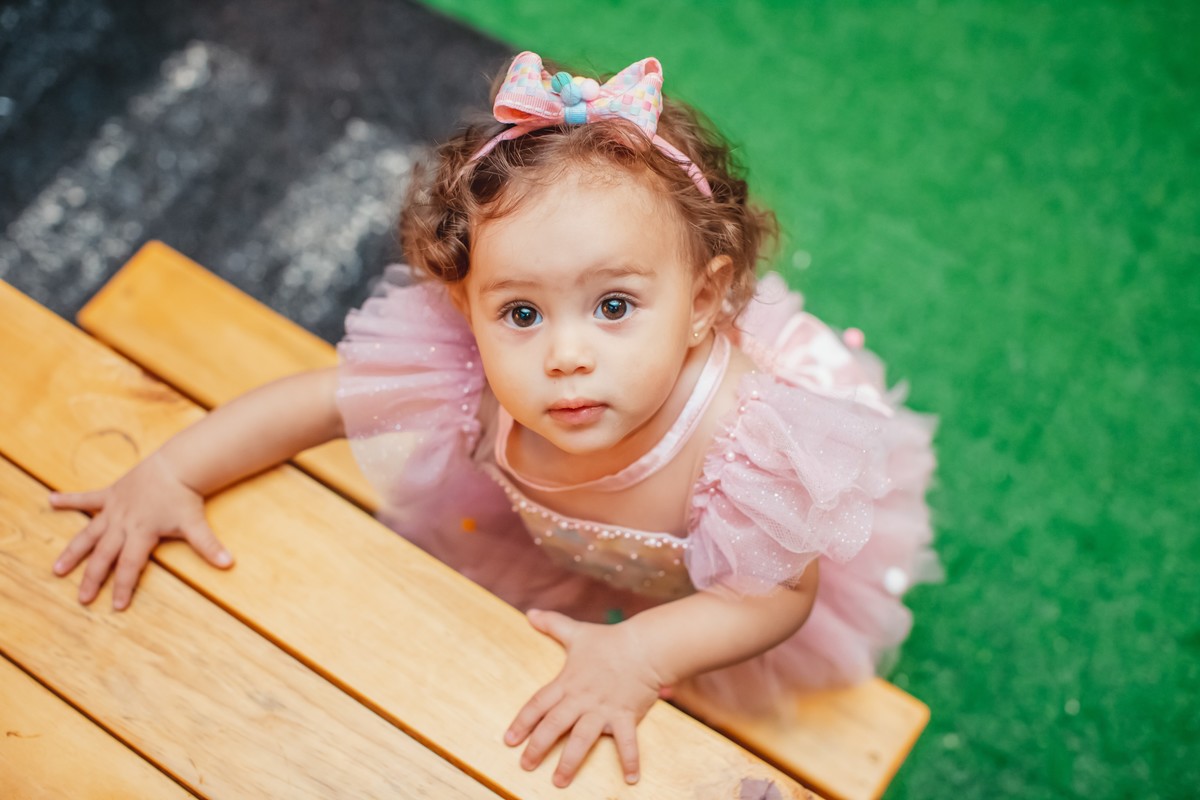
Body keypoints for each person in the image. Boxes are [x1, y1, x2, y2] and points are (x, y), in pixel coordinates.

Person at [48, 51, 939, 788]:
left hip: (716, 579)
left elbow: (776, 596)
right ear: (465, 308)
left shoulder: (749, 446)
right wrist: (171, 472)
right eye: (521, 313)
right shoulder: (467, 376)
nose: (566, 355)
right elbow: (317, 404)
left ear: (704, 302)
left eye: (615, 306)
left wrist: (645, 654)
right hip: (565, 544)